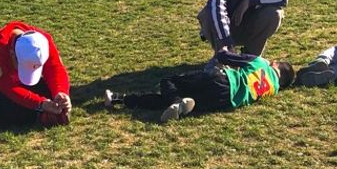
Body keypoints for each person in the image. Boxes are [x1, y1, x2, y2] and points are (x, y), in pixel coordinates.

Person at [104, 52, 295, 123]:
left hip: (223, 80)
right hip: (224, 101)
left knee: (169, 82)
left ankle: (176, 102)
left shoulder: (262, 62)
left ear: (274, 64)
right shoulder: (273, 89)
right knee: (170, 100)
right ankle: (119, 98)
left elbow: (224, 56)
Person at [0, 21, 72, 133]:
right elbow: (8, 88)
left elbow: (55, 69)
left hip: (18, 85)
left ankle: (8, 118)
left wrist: (61, 94)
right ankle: (30, 117)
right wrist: (41, 104)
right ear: (12, 54)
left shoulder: (42, 42)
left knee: (50, 94)